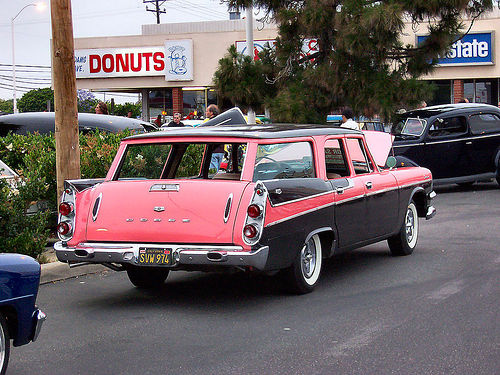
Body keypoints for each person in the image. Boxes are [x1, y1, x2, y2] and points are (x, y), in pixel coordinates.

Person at [203, 104, 224, 171]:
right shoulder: (221, 122)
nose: (206, 113)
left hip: (212, 150)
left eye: (207, 111)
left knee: (213, 172)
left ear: (211, 112)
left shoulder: (209, 123)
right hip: (221, 150)